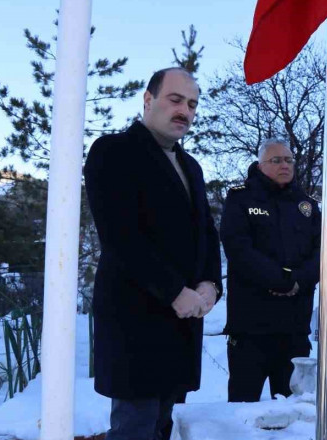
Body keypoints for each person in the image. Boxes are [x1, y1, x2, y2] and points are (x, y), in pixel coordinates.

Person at [84, 67, 222, 440]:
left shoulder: (190, 166)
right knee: (135, 429)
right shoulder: (113, 151)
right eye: (175, 100)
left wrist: (211, 284)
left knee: (162, 426)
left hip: (182, 324)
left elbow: (207, 232)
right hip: (136, 321)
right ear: (148, 100)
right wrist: (175, 292)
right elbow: (120, 236)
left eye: (192, 105)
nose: (185, 111)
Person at [220, 139, 321, 402]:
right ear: (261, 164)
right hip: (251, 327)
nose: (284, 165)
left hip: (294, 328)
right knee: (242, 410)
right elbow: (239, 249)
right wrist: (282, 281)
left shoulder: (307, 205)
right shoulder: (240, 199)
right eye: (276, 160)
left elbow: (321, 254)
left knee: (295, 410)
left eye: (288, 160)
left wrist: (298, 281)